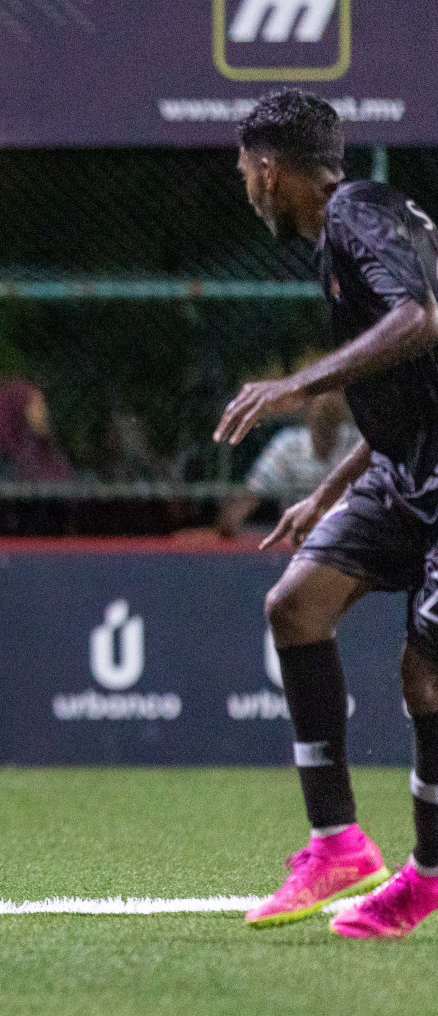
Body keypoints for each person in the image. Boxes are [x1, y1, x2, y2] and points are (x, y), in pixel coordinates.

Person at [214, 89, 438, 938]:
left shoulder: (356, 211)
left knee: (427, 677)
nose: (245, 185)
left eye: (245, 170)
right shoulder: (354, 232)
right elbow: (409, 383)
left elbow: (420, 321)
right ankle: (337, 843)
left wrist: (297, 385)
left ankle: (425, 878)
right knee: (296, 606)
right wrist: (331, 487)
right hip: (402, 467)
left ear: (270, 168)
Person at [213, 391, 361, 539]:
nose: (325, 411)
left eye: (331, 411)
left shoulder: (356, 443)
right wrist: (232, 519)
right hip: (298, 537)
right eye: (319, 405)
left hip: (348, 535)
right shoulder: (287, 444)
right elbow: (254, 492)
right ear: (307, 410)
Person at [0, 379, 75, 482]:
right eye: (37, 408)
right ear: (17, 412)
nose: (43, 414)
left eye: (42, 407)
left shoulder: (48, 454)